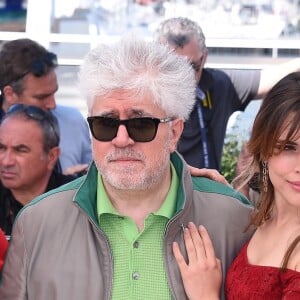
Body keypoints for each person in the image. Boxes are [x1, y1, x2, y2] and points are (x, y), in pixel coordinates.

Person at [0, 35, 253, 300]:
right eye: (105, 124)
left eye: (141, 124)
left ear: (174, 133)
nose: (121, 140)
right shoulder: (36, 223)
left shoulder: (234, 221)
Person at [173, 71, 300, 299]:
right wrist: (224, 198)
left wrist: (206, 295)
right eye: (288, 148)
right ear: (264, 150)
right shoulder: (262, 219)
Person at [154, 17, 300, 171]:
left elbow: (269, 79)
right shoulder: (142, 95)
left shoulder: (219, 84)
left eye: (192, 67)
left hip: (206, 190)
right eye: (172, 67)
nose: (182, 77)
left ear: (204, 58)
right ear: (156, 60)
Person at [0, 38, 92, 175]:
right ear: (10, 94)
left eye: (54, 93)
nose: (52, 105)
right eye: (41, 97)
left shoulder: (73, 121)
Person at [0, 104, 75, 237]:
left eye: (20, 150)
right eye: (2, 148)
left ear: (52, 157)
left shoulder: (80, 202)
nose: (6, 161)